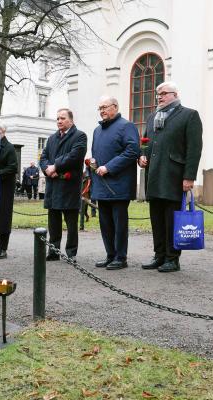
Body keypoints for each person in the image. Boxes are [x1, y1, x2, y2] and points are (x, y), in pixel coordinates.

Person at [138, 81, 203, 273]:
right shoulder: (152, 117)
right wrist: (141, 156)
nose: (160, 96)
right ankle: (159, 256)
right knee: (156, 218)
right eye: (158, 93)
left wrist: (189, 177)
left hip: (174, 175)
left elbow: (194, 149)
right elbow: (145, 142)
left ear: (175, 95)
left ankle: (172, 258)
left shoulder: (189, 115)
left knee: (172, 218)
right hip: (154, 175)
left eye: (164, 93)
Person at [90, 95, 140, 270]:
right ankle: (110, 255)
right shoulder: (97, 130)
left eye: (105, 107)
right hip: (101, 184)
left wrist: (109, 167)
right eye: (100, 108)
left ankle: (121, 257)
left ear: (115, 107)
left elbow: (133, 151)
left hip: (119, 185)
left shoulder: (127, 126)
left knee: (119, 224)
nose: (102, 110)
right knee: (105, 223)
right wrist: (94, 163)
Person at [40, 108, 87, 260]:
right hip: (53, 185)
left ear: (71, 120)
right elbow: (44, 156)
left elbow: (75, 156)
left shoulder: (79, 136)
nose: (59, 121)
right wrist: (47, 168)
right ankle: (53, 251)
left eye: (62, 118)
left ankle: (71, 252)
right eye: (58, 118)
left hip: (69, 186)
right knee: (53, 222)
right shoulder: (52, 138)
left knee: (71, 222)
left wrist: (56, 166)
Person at [0, 119, 18, 259]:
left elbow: (13, 167)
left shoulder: (9, 148)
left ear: (2, 131)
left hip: (5, 187)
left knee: (3, 218)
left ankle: (3, 248)